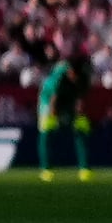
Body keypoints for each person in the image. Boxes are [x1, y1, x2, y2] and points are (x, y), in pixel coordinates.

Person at [34, 46, 92, 181]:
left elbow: (80, 99)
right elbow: (53, 100)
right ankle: (46, 169)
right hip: (48, 100)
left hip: (69, 99)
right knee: (46, 131)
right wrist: (54, 117)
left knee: (81, 128)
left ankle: (84, 168)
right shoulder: (59, 77)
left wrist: (77, 115)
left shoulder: (84, 76)